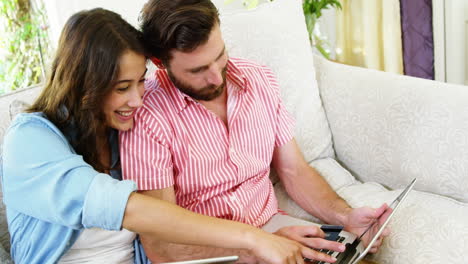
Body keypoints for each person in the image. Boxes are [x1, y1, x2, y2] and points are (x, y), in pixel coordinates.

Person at [0, 8, 319, 264]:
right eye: (122, 88)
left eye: (140, 81)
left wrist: (262, 245)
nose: (138, 100)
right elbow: (126, 208)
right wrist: (253, 239)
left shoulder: (117, 134)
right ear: (84, 85)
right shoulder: (29, 141)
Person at [119, 0, 392, 263]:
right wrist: (254, 249)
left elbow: (293, 171)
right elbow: (161, 246)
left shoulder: (259, 79)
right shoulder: (146, 117)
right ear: (159, 62)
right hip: (209, 254)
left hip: (273, 230)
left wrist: (345, 217)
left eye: (219, 55)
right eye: (198, 70)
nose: (216, 77)